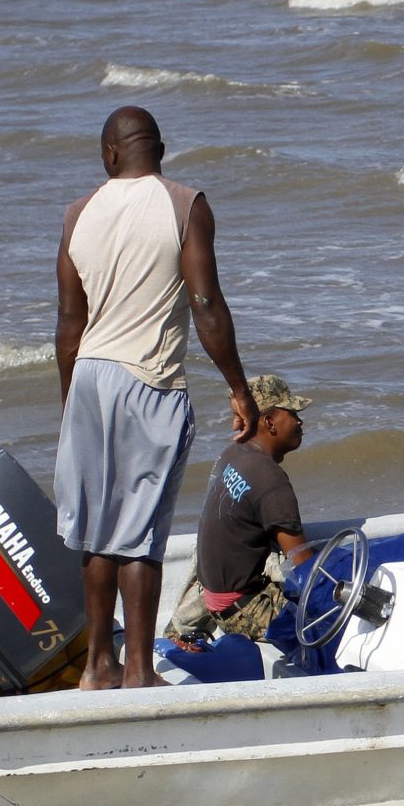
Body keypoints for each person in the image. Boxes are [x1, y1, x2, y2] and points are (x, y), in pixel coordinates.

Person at [54, 105, 258, 689]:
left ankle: (98, 667)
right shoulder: (184, 204)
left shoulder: (78, 214)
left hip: (89, 375)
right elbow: (206, 305)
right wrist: (238, 388)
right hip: (149, 378)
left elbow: (70, 322)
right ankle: (140, 673)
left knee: (96, 532)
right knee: (138, 535)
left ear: (109, 155)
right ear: (160, 150)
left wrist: (71, 403)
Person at [167, 374, 314, 650]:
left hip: (211, 594)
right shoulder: (270, 479)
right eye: (292, 413)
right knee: (329, 622)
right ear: (270, 421)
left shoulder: (232, 454)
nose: (299, 422)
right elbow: (303, 564)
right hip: (241, 609)